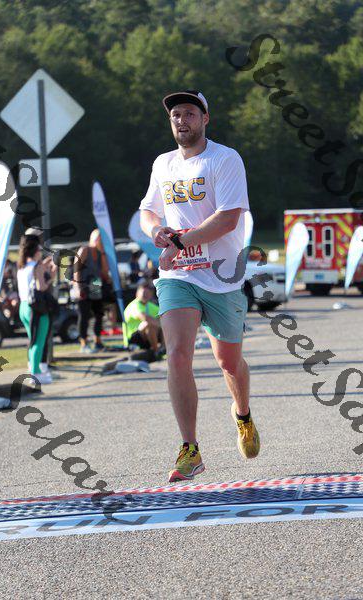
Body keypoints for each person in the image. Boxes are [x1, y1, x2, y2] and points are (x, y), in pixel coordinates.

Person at [140, 89, 260, 482]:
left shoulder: (224, 159)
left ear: (205, 119)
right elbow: (148, 211)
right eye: (176, 114)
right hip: (179, 276)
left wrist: (179, 243)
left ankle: (242, 414)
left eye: (190, 113)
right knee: (177, 354)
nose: (182, 120)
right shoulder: (163, 164)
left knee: (228, 362)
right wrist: (156, 231)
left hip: (222, 277)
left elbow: (228, 219)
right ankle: (190, 448)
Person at [17, 235, 56, 384]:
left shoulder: (22, 267)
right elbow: (42, 287)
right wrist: (52, 276)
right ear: (35, 250)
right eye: (40, 249)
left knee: (32, 340)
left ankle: (33, 368)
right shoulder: (37, 267)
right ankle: (35, 373)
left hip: (23, 306)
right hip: (36, 308)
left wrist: (44, 266)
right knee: (39, 341)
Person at [72, 229, 112, 353]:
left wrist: (103, 253)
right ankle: (83, 342)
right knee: (84, 315)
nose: (100, 241)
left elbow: (105, 273)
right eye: (98, 239)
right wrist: (78, 287)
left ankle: (97, 341)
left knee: (98, 314)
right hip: (83, 285)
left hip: (95, 285)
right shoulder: (85, 250)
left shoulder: (101, 254)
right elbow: (76, 270)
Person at [122, 282, 164, 358]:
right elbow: (145, 318)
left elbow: (164, 315)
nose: (145, 295)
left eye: (147, 293)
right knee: (148, 324)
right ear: (137, 294)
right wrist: (161, 325)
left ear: (151, 295)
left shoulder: (150, 305)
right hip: (133, 340)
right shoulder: (134, 305)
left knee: (164, 323)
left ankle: (164, 349)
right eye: (143, 293)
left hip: (146, 337)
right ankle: (156, 352)